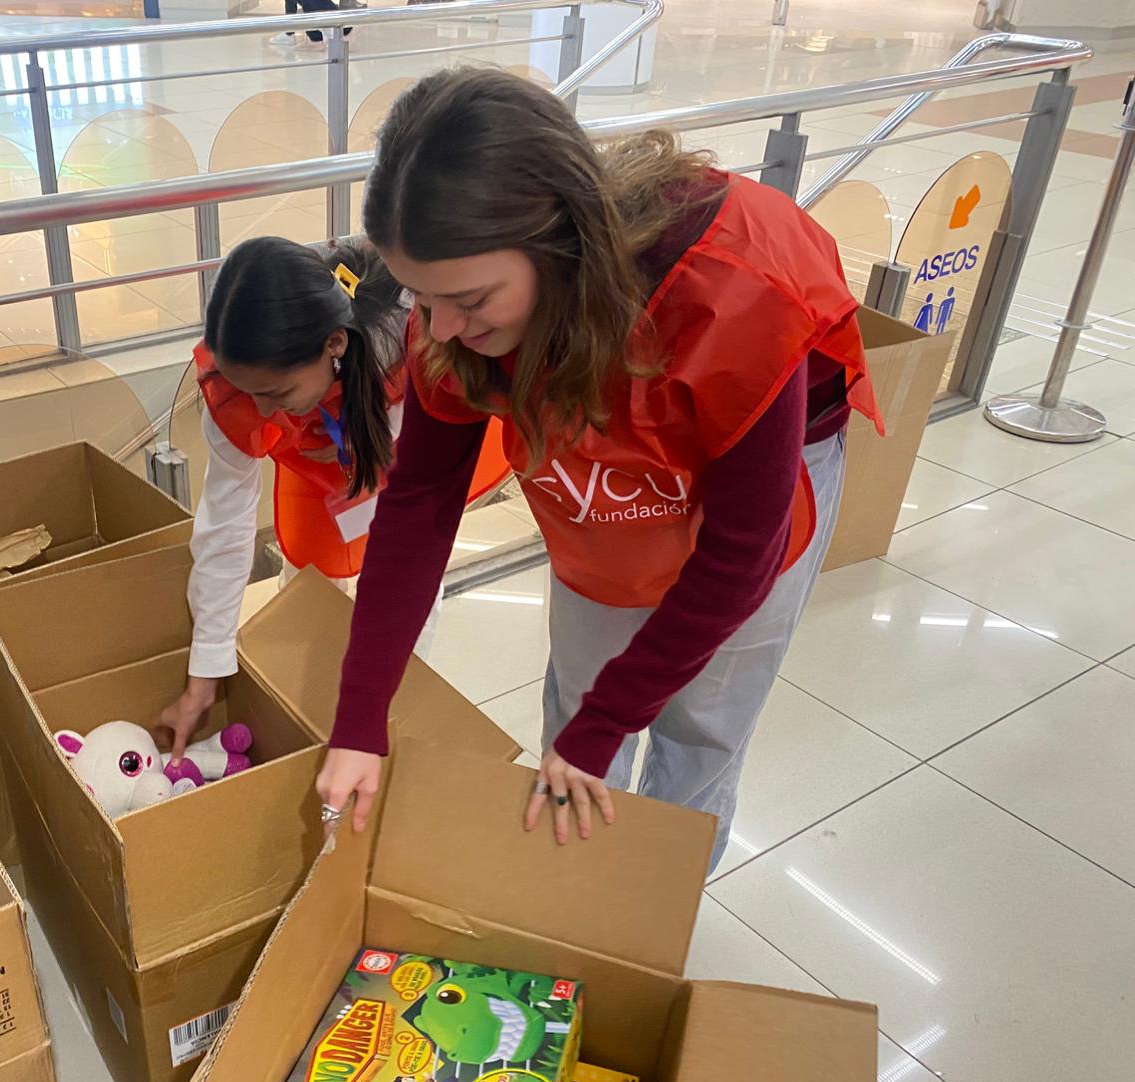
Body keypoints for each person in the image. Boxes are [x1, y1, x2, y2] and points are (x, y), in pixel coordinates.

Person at [314, 69, 881, 872]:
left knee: (703, 722)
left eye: (470, 300)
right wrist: (361, 719)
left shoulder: (729, 289)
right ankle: (573, 887)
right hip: (602, 480)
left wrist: (609, 722)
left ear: (560, 244)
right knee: (581, 695)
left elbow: (742, 550)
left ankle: (655, 897)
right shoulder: (454, 315)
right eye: (421, 298)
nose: (439, 328)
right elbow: (419, 508)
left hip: (753, 470)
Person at [157, 236, 511, 760]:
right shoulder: (241, 385)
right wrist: (204, 675)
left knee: (402, 590)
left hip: (396, 455)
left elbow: (410, 554)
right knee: (306, 576)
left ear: (335, 346)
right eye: (246, 391)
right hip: (318, 469)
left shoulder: (413, 355)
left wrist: (376, 710)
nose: (260, 410)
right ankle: (304, 707)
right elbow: (224, 529)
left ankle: (392, 708)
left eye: (276, 394)